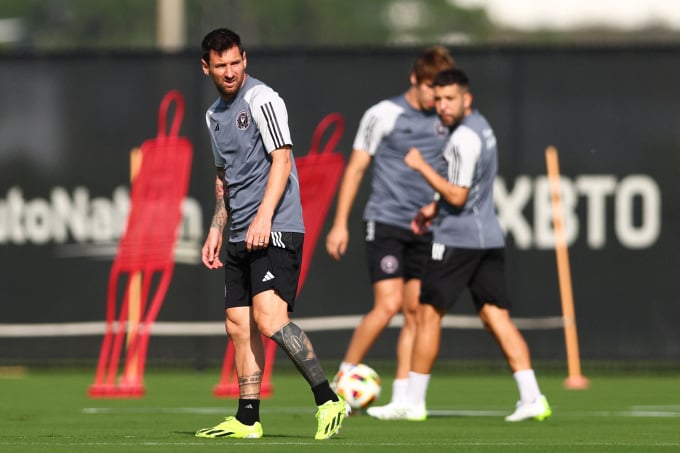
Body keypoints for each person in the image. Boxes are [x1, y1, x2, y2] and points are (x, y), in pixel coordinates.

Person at [367, 68, 552, 422]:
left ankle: (414, 402)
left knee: (426, 314)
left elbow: (458, 193)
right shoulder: (482, 127)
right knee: (495, 315)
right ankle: (532, 396)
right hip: (488, 237)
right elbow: (465, 190)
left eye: (450, 99)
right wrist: (431, 207)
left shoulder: (462, 139)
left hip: (457, 240)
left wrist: (421, 167)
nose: (442, 106)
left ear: (467, 99)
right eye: (438, 99)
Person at [195, 28, 349, 440]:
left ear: (245, 59)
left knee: (269, 319)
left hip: (276, 225)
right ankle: (248, 418)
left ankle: (328, 398)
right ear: (206, 67)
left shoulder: (263, 99)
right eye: (220, 65)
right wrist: (216, 228)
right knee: (237, 324)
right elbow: (223, 177)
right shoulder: (213, 116)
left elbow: (282, 159)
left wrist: (264, 217)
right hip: (239, 230)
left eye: (235, 63)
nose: (229, 72)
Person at [325, 46, 454, 407]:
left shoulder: (448, 119)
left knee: (416, 311)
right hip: (385, 222)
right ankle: (342, 381)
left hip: (426, 228)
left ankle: (403, 399)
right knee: (388, 305)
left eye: (442, 89)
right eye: (430, 87)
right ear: (415, 79)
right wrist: (339, 225)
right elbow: (355, 169)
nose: (436, 96)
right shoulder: (383, 114)